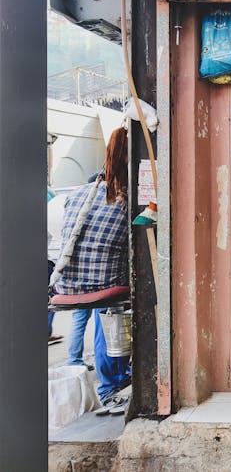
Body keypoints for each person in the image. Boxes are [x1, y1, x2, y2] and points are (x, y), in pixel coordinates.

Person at [50, 128, 132, 415]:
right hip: (103, 283)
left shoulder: (84, 191)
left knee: (102, 312)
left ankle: (110, 383)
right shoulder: (127, 196)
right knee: (113, 306)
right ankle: (115, 381)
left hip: (68, 284)